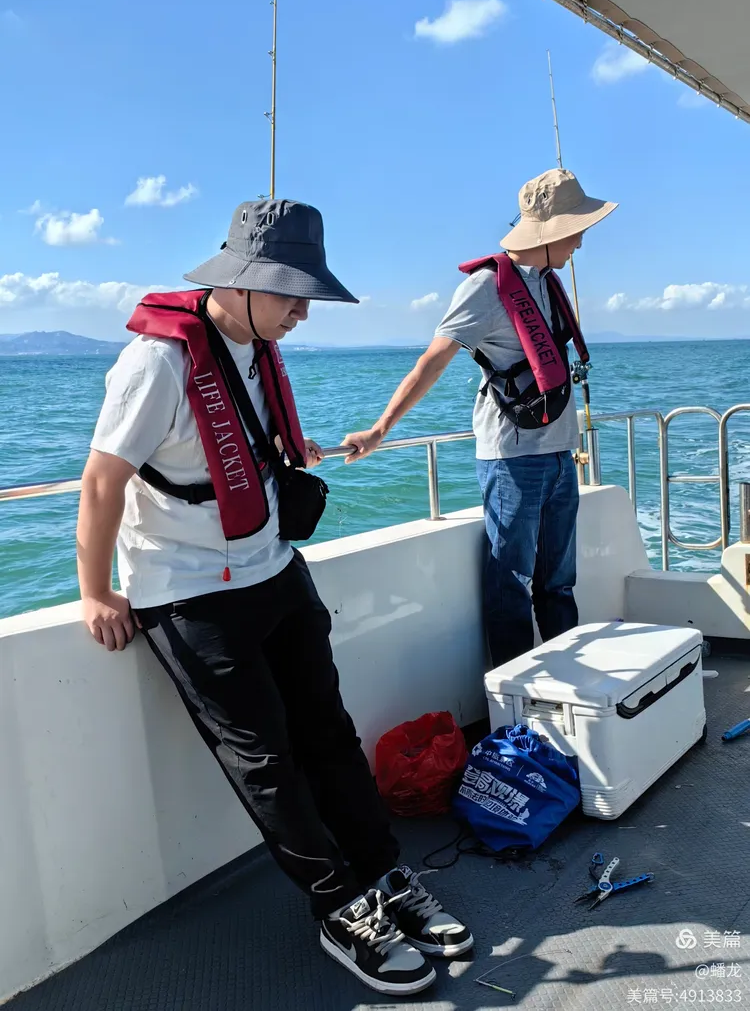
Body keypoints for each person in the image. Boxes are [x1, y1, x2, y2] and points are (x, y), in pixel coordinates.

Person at [76, 199, 473, 997]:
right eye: (291, 294)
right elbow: (101, 481)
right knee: (267, 763)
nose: (301, 312)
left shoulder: (253, 347)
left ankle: (385, 874)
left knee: (328, 731)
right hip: (188, 597)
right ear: (244, 282)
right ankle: (340, 908)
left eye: (306, 297)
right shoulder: (155, 364)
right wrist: (95, 593)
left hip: (274, 569)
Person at [343, 169, 617, 666]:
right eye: (576, 229)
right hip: (513, 458)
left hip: (558, 452)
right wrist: (380, 429)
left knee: (559, 583)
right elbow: (434, 359)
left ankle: (573, 686)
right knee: (511, 584)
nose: (580, 240)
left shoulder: (547, 283)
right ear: (551, 231)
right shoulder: (485, 288)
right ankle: (512, 705)